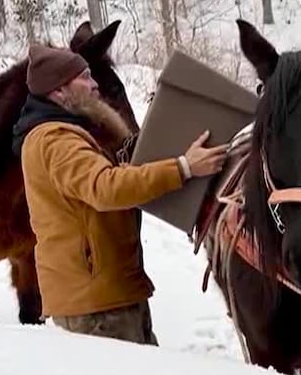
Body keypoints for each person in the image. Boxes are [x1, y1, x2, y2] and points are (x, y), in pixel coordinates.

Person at [12, 45, 228, 346]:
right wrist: (183, 168)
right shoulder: (56, 139)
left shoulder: (57, 134)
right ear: (59, 91)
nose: (94, 84)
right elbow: (105, 188)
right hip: (96, 307)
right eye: (85, 78)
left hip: (104, 296)